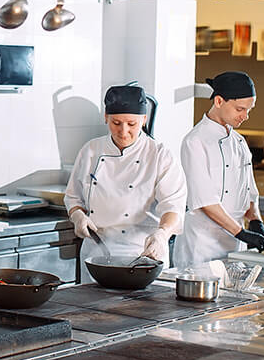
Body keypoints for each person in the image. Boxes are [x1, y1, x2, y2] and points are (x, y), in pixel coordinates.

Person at [65, 84, 186, 266]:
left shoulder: (160, 155)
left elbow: (173, 206)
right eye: (116, 123)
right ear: (106, 117)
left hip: (144, 252)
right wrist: (78, 216)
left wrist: (162, 234)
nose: (123, 131)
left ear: (144, 120)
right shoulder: (90, 150)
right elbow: (73, 197)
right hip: (96, 250)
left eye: (131, 124)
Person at [172, 71, 264, 268]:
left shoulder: (240, 143)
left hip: (235, 246)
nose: (245, 116)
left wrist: (255, 221)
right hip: (202, 247)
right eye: (240, 109)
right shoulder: (195, 142)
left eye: (249, 110)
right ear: (218, 101)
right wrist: (241, 233)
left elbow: (250, 192)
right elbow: (205, 202)